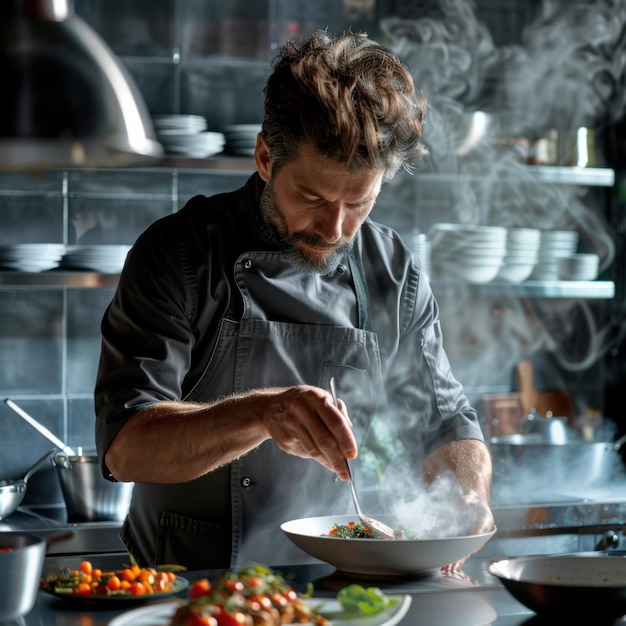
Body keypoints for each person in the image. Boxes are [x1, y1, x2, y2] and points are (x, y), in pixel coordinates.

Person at [95, 30, 494, 572]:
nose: (333, 228)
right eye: (311, 197)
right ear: (265, 157)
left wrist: (467, 497)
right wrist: (264, 412)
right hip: (190, 586)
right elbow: (127, 446)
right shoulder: (179, 254)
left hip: (346, 586)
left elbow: (448, 425)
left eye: (359, 203)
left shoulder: (393, 271)